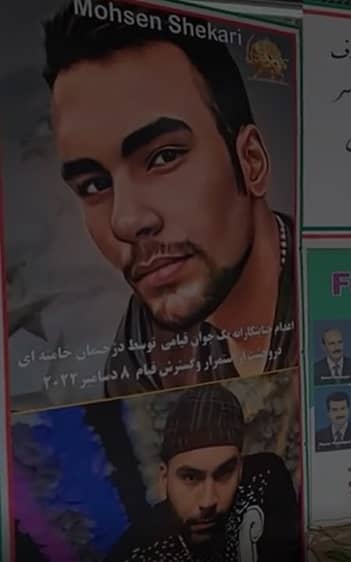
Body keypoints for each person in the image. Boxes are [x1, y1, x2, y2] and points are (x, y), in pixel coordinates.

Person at [42, 3, 298, 399]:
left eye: (163, 157)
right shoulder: (142, 343)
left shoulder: (336, 296)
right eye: (94, 185)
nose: (124, 222)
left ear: (251, 161)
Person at [107, 384, 300, 561]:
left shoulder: (266, 478)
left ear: (240, 468)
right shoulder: (135, 553)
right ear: (164, 478)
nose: (208, 501)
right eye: (190, 477)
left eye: (224, 473)